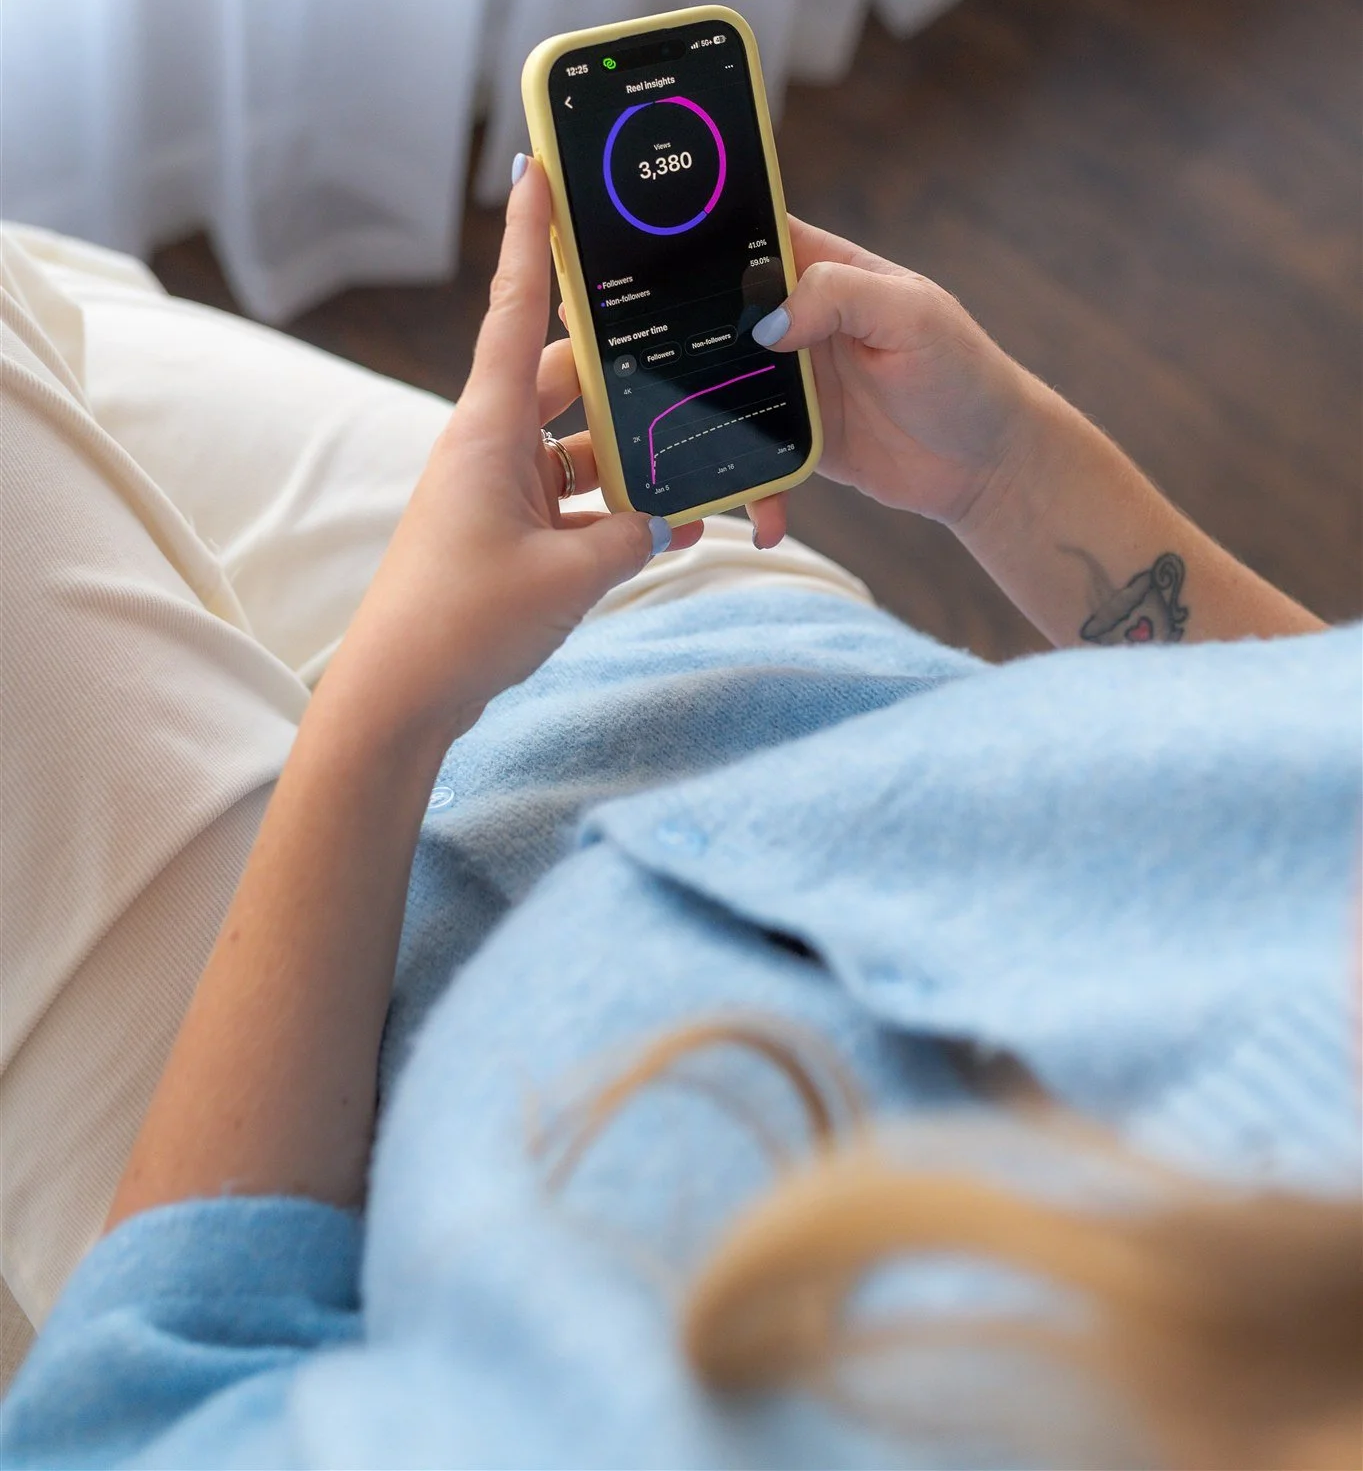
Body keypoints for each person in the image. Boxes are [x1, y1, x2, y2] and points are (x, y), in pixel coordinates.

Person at [0, 160, 1357, 1468]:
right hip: (731, 636)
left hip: (289, 1075)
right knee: (39, 299)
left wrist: (387, 705)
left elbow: (144, 1398)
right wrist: (1004, 469)